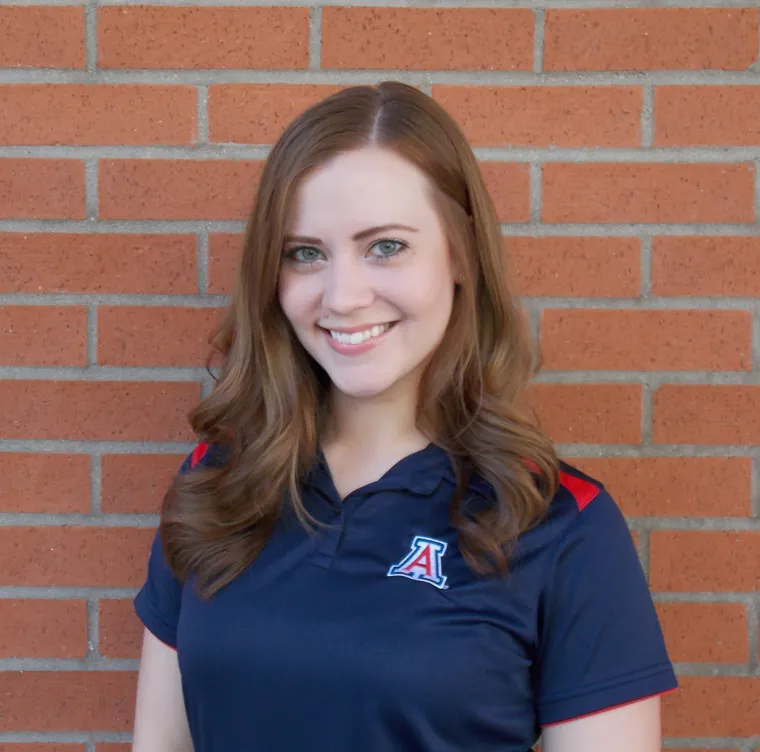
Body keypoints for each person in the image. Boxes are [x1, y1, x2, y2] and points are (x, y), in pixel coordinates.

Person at [131, 81, 678, 751]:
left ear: (460, 254)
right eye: (305, 252)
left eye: (385, 246)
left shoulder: (559, 522)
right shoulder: (217, 482)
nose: (344, 295)